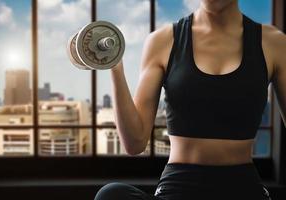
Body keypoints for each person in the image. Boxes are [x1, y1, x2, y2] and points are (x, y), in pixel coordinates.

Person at [94, 0, 286, 199]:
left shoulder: (274, 43)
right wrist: (114, 65)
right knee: (111, 195)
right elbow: (134, 143)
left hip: (243, 186)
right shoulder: (162, 40)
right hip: (179, 186)